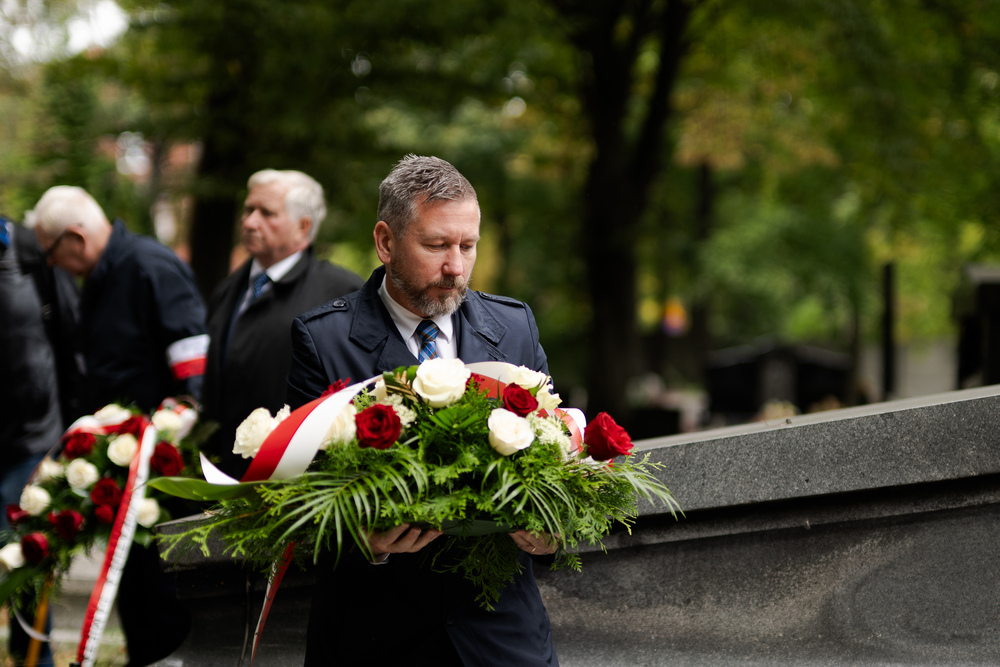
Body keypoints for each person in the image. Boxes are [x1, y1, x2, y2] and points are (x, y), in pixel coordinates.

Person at [287, 155, 559, 666]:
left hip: (503, 640)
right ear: (386, 242)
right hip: (376, 640)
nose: (455, 266)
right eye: (436, 245)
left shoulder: (516, 326)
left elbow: (558, 461)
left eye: (467, 246)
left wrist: (550, 532)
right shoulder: (321, 340)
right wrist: (366, 543)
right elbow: (299, 501)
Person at [29, 186, 208, 667]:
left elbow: (193, 373)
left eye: (51, 252)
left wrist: (160, 432)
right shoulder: (103, 276)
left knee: (160, 603)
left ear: (75, 237)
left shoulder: (149, 267)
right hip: (125, 475)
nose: (53, 265)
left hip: (160, 476)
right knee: (134, 600)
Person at [201, 169, 362, 478]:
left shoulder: (341, 293)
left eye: (266, 213)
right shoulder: (229, 290)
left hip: (297, 484)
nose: (249, 222)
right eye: (248, 210)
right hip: (225, 475)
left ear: (303, 227)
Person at [0, 216, 80, 667]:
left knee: (25, 555)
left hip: (34, 439)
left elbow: (71, 341)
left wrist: (69, 432)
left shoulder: (34, 250)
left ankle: (34, 658)